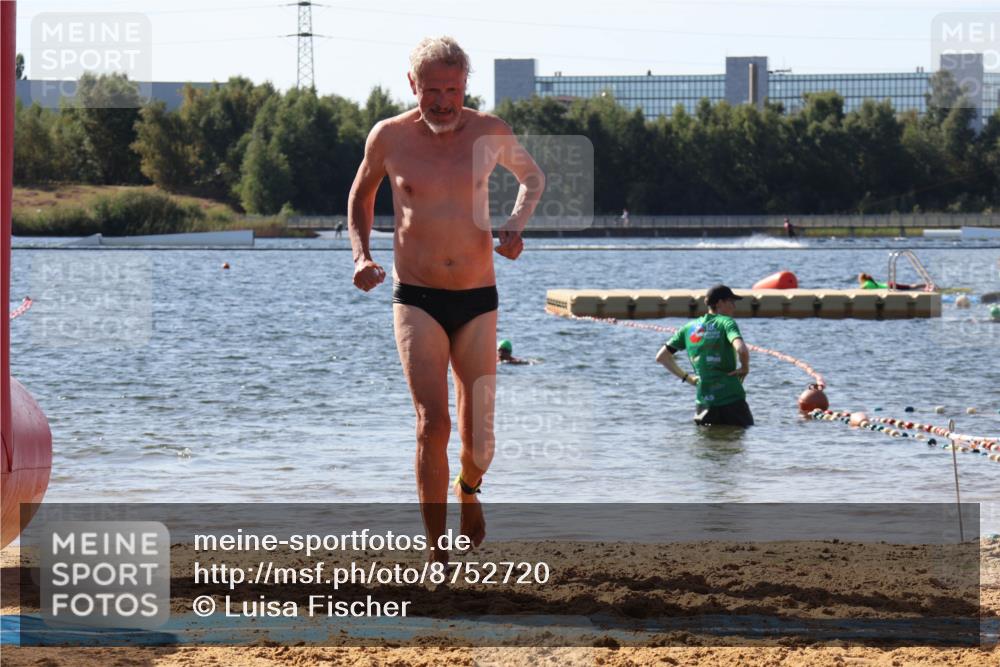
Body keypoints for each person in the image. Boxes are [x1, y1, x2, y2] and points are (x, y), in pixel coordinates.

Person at [348, 36, 545, 561]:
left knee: (480, 441)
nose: (441, 101)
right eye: (431, 90)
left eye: (452, 90)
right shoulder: (389, 137)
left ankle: (470, 490)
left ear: (465, 87)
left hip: (478, 297)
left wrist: (514, 227)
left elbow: (532, 178)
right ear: (412, 84)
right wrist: (361, 255)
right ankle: (436, 548)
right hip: (415, 296)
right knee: (433, 422)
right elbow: (361, 194)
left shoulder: (489, 132)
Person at [655, 285, 753, 427]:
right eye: (731, 301)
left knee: (707, 446)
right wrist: (745, 368)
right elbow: (742, 349)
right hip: (732, 400)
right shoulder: (726, 322)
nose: (734, 306)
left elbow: (661, 357)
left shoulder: (688, 328)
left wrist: (688, 379)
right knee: (737, 444)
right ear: (720, 303)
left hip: (704, 403)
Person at [857, 273, 929, 291]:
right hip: (889, 284)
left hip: (889, 286)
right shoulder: (870, 281)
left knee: (909, 287)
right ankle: (924, 285)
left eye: (859, 279)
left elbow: (860, 290)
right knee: (909, 287)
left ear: (862, 279)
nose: (858, 280)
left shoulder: (866, 283)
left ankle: (925, 285)